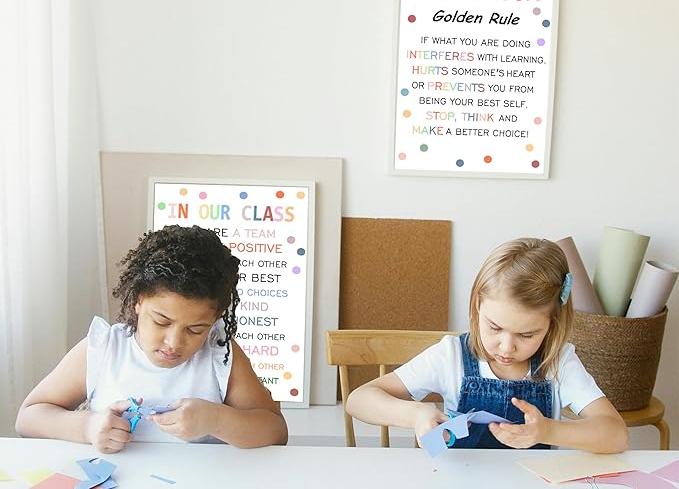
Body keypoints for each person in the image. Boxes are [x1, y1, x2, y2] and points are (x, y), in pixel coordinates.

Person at [16, 225, 288, 453]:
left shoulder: (220, 354)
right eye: (161, 322)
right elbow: (28, 417)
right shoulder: (104, 348)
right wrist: (88, 427)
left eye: (195, 329)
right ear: (138, 301)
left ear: (215, 319)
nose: (174, 342)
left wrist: (217, 420)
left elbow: (275, 431)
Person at [346, 237, 628, 453]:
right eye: (495, 328)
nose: (506, 347)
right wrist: (415, 414)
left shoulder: (558, 361)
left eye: (526, 335)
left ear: (552, 324)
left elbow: (616, 434)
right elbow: (358, 400)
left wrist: (548, 432)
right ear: (478, 305)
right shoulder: (451, 355)